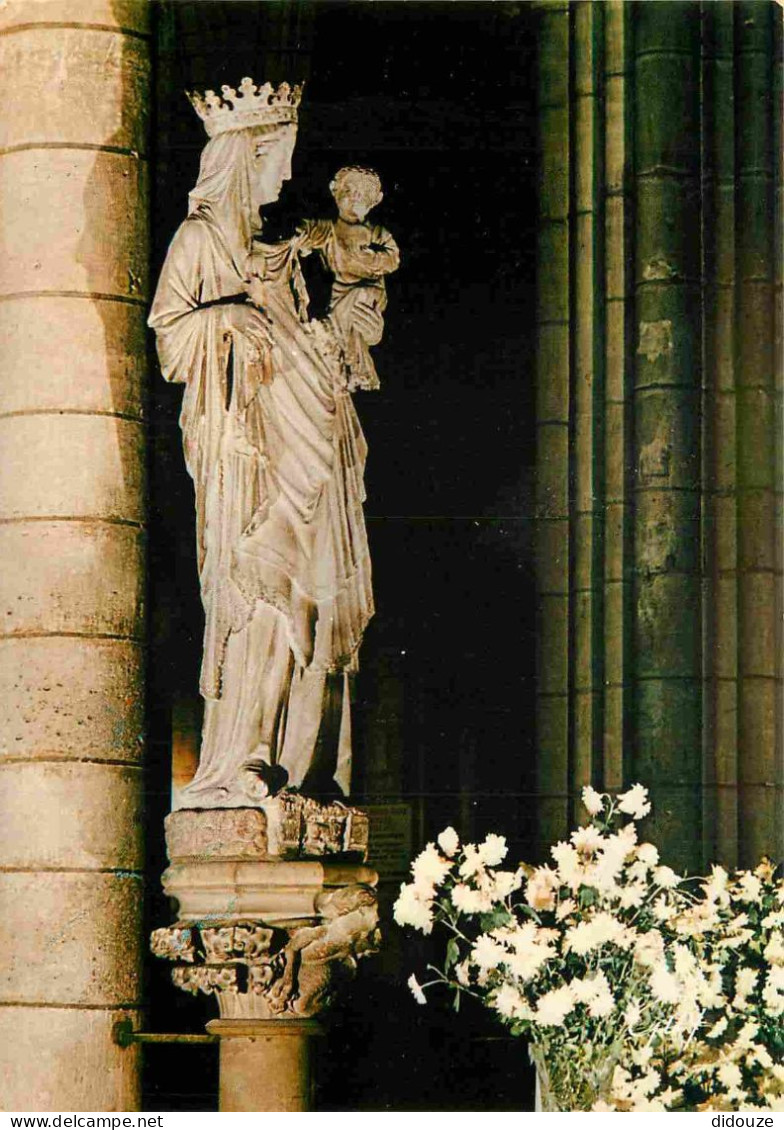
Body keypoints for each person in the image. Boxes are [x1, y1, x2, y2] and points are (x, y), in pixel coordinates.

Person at [148, 79, 379, 807]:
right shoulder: (201, 239)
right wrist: (227, 317)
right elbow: (169, 338)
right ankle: (245, 755)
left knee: (313, 597)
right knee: (260, 594)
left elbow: (311, 340)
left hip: (307, 439)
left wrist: (339, 320)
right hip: (246, 451)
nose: (284, 174)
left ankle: (306, 767)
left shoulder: (283, 254)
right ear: (242, 157)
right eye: (275, 156)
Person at [295, 166, 400, 391]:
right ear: (334, 189)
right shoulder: (329, 230)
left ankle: (341, 345)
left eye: (363, 194)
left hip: (370, 292)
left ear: (376, 200)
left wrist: (372, 257)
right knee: (349, 326)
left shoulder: (376, 233)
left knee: (360, 300)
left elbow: (393, 259)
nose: (355, 199)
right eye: (349, 190)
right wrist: (300, 236)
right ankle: (349, 362)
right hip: (338, 297)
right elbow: (307, 230)